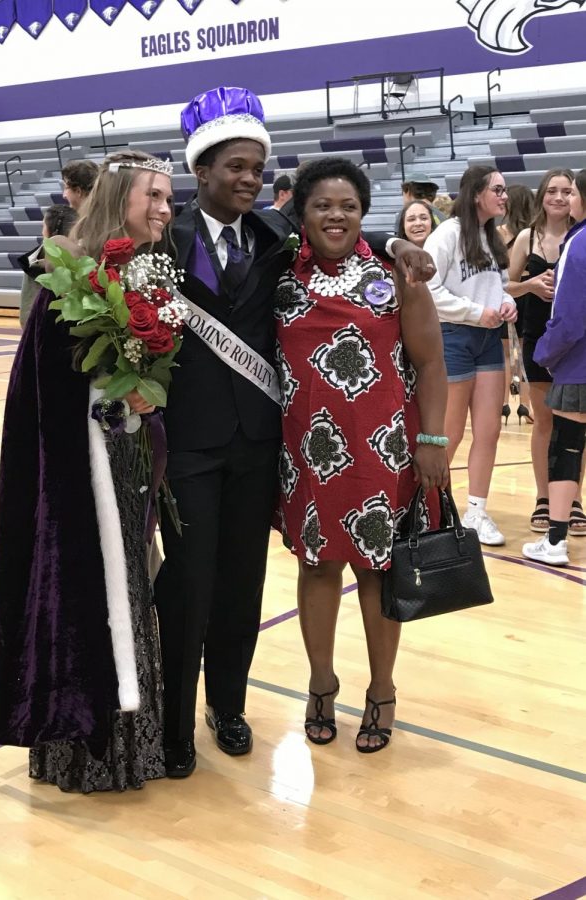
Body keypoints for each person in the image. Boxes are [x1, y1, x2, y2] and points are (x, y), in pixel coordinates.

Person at [154, 85, 438, 779]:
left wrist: (402, 245)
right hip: (226, 449)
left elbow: (355, 247)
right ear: (201, 170)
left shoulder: (292, 244)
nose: (248, 178)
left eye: (257, 167)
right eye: (234, 167)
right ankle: (178, 725)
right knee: (197, 584)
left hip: (300, 450)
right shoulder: (175, 240)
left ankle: (234, 705)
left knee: (250, 588)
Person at [0, 150, 174, 792]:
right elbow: (45, 389)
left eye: (169, 197)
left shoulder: (148, 272)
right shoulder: (68, 277)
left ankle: (131, 744)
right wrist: (120, 394)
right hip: (81, 468)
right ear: (121, 195)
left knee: (131, 590)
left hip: (126, 460)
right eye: (154, 195)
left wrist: (142, 390)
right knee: (90, 593)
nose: (166, 209)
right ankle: (81, 747)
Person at [275, 158, 448, 752]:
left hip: (385, 456)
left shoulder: (394, 276)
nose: (336, 215)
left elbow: (430, 364)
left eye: (348, 205)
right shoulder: (282, 275)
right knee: (317, 568)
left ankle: (381, 690)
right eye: (323, 205)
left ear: (363, 214)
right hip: (307, 456)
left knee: (378, 573)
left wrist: (432, 441)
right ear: (302, 213)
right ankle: (321, 683)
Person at [424, 165, 517, 546]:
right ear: (477, 193)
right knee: (450, 433)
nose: (504, 196)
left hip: (489, 338)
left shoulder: (492, 237)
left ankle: (476, 511)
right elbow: (428, 290)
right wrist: (476, 312)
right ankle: (427, 507)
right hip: (453, 337)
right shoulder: (446, 234)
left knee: (490, 430)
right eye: (498, 189)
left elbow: (500, 287)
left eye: (505, 190)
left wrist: (507, 303)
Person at [506, 171, 578, 533]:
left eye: (567, 191)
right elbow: (504, 285)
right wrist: (530, 285)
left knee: (578, 422)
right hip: (536, 339)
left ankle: (574, 498)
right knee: (545, 420)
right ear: (542, 195)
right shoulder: (526, 237)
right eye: (552, 190)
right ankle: (543, 497)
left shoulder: (580, 236)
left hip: (577, 342)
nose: (559, 197)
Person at [522, 169, 586, 566]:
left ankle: (556, 541)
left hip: (578, 365)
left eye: (575, 192)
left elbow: (570, 316)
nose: (569, 199)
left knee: (566, 446)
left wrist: (546, 352)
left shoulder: (577, 245)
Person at [497, 183, 535, 427]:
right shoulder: (534, 234)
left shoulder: (499, 232)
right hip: (530, 293)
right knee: (525, 353)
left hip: (507, 292)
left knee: (504, 355)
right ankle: (526, 404)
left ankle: (501, 405)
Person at [17, 204, 78, 328]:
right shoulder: (34, 263)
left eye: (43, 225)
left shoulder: (35, 262)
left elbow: (26, 314)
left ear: (48, 230)